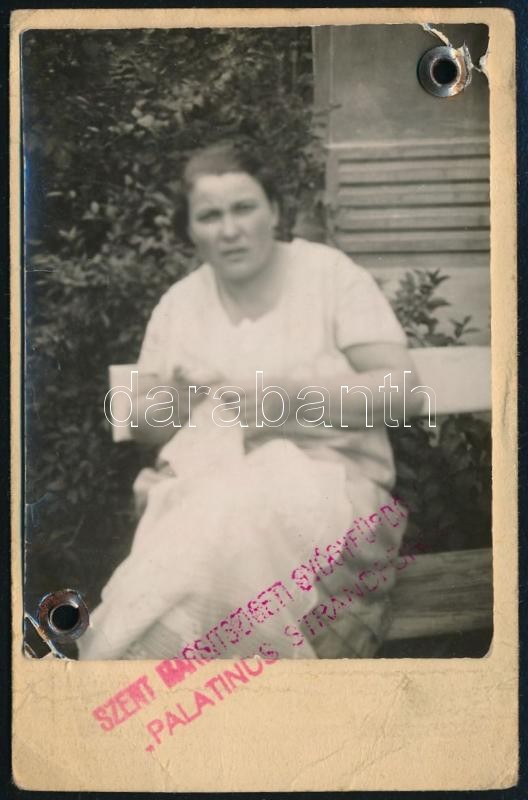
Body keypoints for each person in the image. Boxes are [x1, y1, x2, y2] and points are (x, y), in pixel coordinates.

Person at [78, 140, 422, 661]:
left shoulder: (329, 276)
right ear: (191, 230)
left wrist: (294, 400)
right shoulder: (180, 305)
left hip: (338, 498)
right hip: (213, 498)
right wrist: (179, 398)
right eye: (209, 216)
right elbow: (144, 424)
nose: (229, 229)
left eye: (244, 208)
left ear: (274, 211)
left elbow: (405, 391)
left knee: (211, 531)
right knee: (205, 534)